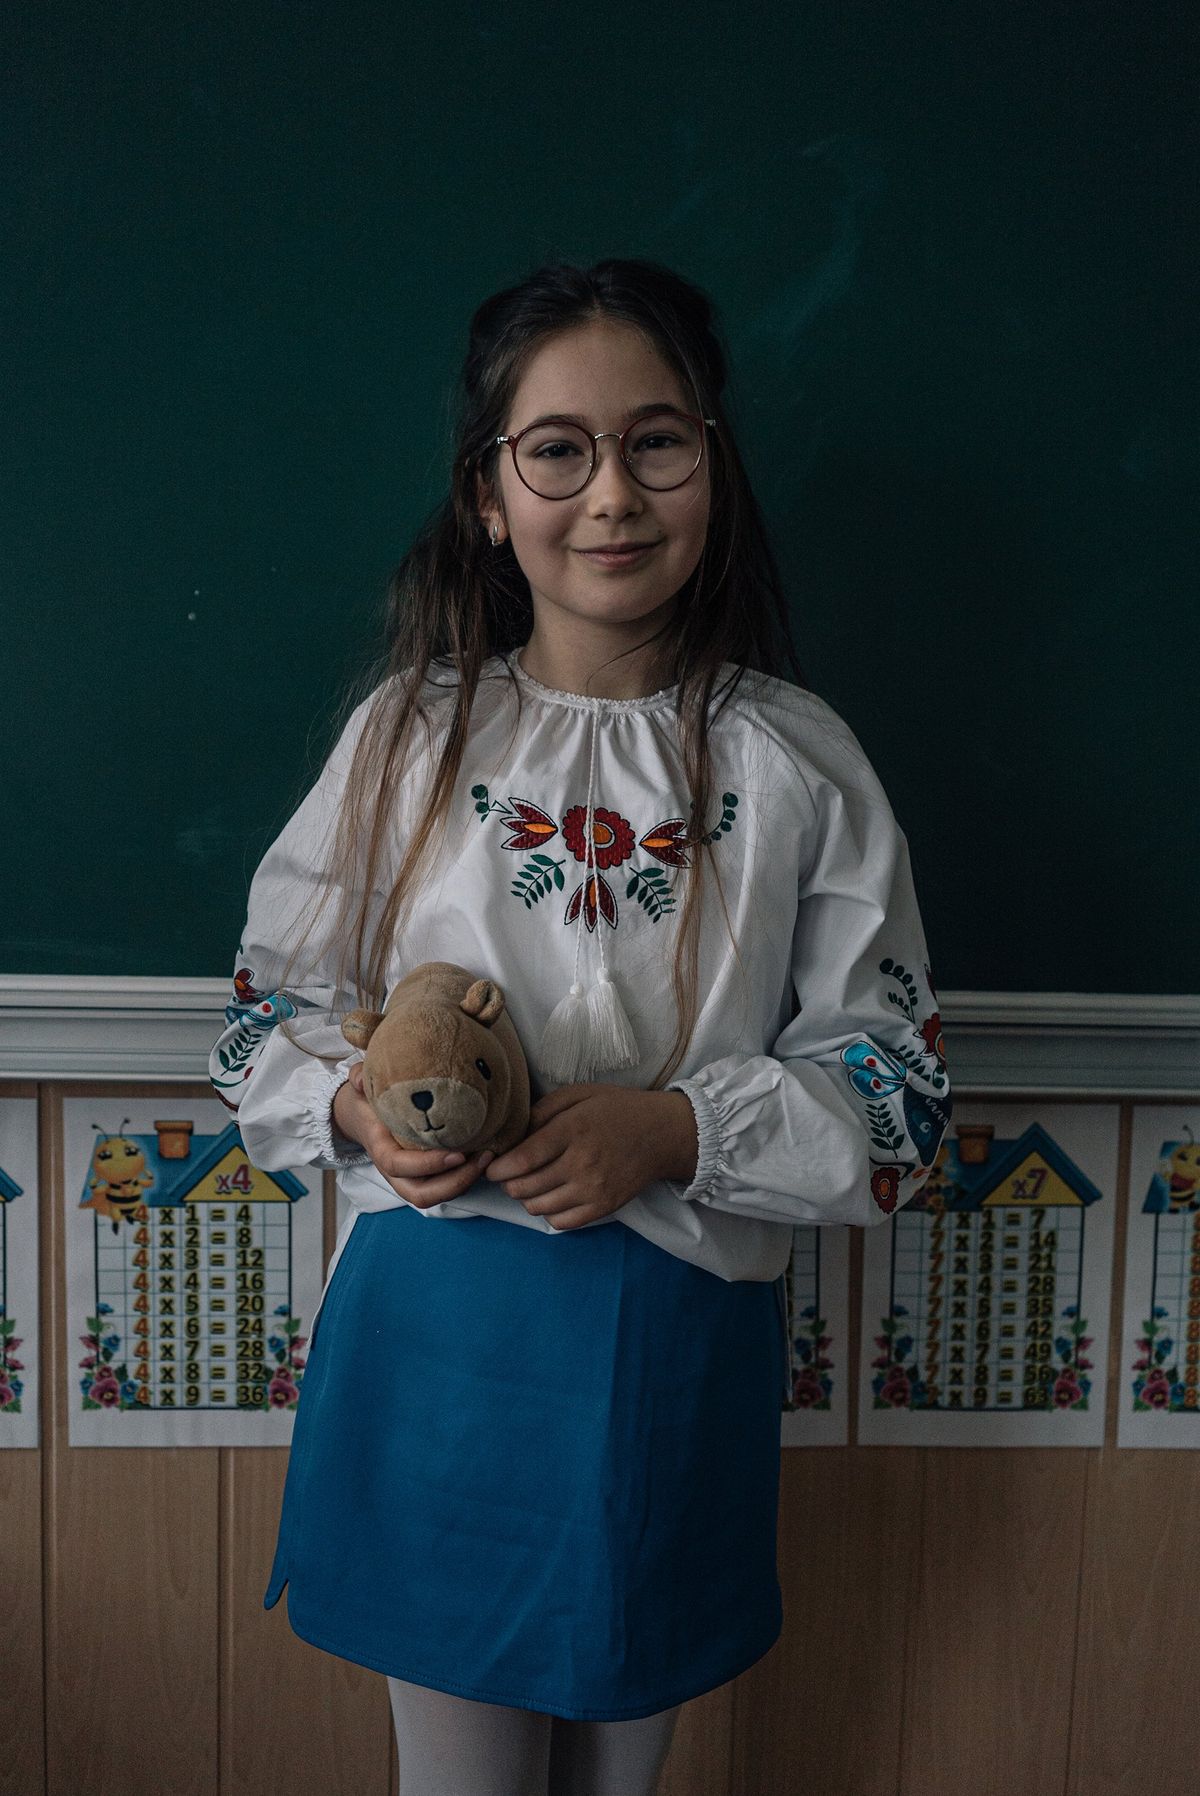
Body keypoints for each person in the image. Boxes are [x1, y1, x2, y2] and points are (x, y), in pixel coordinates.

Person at [208, 257, 952, 1796]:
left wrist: (673, 1129)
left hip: (674, 1345)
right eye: (559, 449)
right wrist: (355, 1106)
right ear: (489, 496)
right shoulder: (411, 738)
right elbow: (262, 1013)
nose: (610, 494)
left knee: (618, 1770)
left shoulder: (796, 761)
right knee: (464, 1781)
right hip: (439, 1340)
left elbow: (900, 1092)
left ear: (714, 468)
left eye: (656, 442)